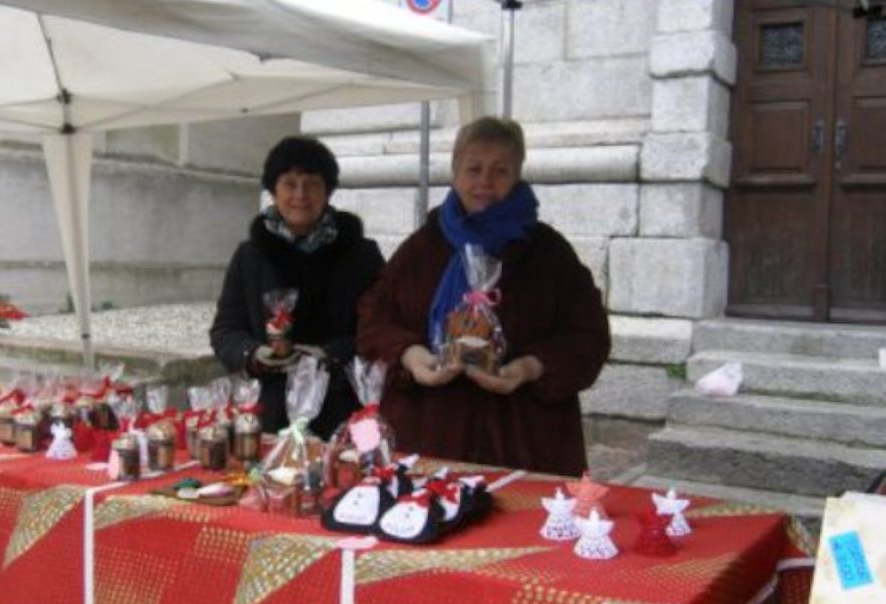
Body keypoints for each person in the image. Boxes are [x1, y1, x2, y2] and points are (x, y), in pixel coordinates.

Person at [356, 117, 610, 475]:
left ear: (517, 174)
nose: (484, 181)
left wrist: (529, 368)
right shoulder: (422, 247)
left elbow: (589, 337)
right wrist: (411, 356)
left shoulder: (548, 253)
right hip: (429, 434)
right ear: (455, 170)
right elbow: (373, 320)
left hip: (524, 440)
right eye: (474, 168)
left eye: (500, 170)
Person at [210, 136, 385, 438]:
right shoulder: (250, 256)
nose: (300, 195)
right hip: (269, 410)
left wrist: (328, 353)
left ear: (327, 191)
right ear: (273, 191)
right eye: (290, 184)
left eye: (312, 184)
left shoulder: (361, 255)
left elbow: (379, 327)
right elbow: (225, 329)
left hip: (343, 406)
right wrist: (253, 354)